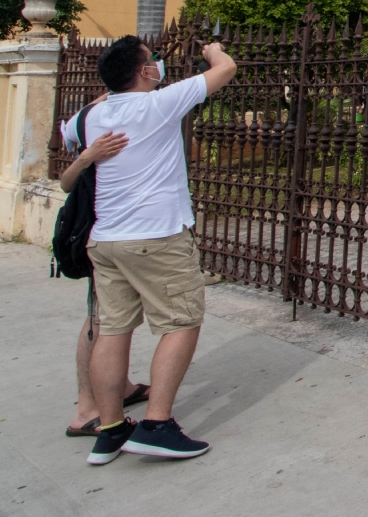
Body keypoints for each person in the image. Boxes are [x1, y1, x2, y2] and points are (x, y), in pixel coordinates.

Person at [59, 35, 237, 465]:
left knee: (113, 329)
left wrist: (106, 101)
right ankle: (157, 425)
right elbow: (226, 69)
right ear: (143, 71)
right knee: (181, 321)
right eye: (154, 60)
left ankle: (111, 428)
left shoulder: (86, 117)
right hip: (156, 237)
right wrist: (212, 52)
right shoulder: (158, 105)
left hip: (106, 241)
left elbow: (68, 140)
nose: (159, 64)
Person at [58, 117, 149, 437]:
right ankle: (86, 411)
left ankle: (119, 387)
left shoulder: (129, 113)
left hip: (124, 236)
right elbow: (66, 182)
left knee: (115, 319)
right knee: (99, 321)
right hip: (102, 235)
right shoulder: (94, 117)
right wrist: (88, 155)